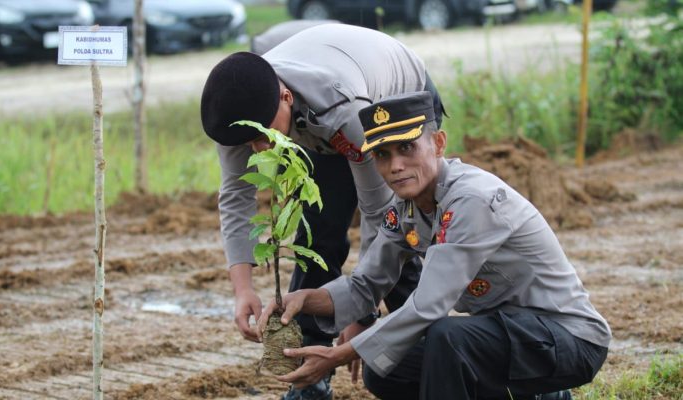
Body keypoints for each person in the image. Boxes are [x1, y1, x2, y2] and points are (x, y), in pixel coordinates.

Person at [257, 91, 611, 400]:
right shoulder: (407, 208)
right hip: (512, 336)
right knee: (386, 370)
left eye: (407, 147)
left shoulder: (471, 200)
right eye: (382, 155)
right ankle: (531, 395)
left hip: (568, 340)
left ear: (439, 144)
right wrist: (305, 298)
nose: (395, 166)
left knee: (447, 337)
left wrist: (339, 354)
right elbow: (366, 284)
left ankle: (545, 389)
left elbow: (428, 306)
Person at [200, 24, 445, 399]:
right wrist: (243, 288)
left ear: (284, 97)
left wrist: (361, 315)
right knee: (319, 231)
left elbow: (380, 215)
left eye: (265, 135)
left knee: (403, 230)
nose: (261, 149)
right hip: (320, 116)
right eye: (251, 140)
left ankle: (434, 358)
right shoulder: (241, 115)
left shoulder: (341, 110)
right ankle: (309, 381)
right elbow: (235, 197)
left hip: (393, 97)